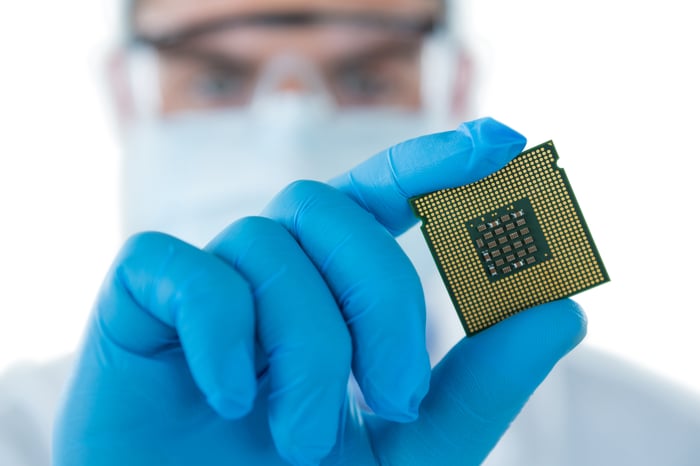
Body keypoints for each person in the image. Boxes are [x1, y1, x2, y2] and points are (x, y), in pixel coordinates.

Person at [1, 0, 700, 465]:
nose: (291, 123)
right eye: (216, 80)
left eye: (365, 76)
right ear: (127, 95)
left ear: (452, 89)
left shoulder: (665, 442)